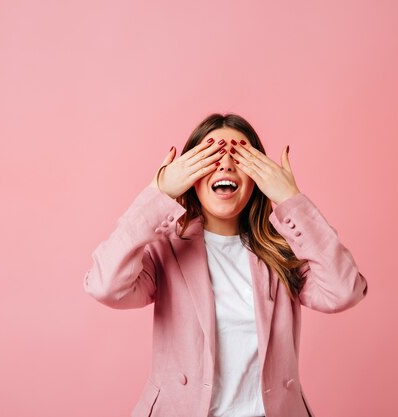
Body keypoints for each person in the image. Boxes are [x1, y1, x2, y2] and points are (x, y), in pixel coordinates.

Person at [83, 113, 369, 417]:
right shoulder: (165, 247)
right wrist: (159, 195)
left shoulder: (283, 249)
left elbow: (345, 291)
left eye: (240, 156)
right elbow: (104, 286)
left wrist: (290, 199)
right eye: (211, 155)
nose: (225, 164)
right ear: (189, 175)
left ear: (259, 176)